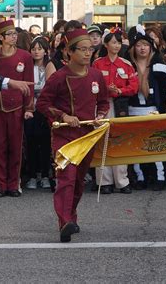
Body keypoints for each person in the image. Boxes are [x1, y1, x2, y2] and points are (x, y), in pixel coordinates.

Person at [36, 29, 109, 242]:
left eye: (91, 49)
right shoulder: (59, 77)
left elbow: (103, 102)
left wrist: (101, 115)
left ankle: (70, 218)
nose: (88, 53)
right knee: (66, 178)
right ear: (69, 52)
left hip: (87, 135)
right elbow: (42, 103)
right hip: (64, 136)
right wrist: (63, 115)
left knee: (78, 181)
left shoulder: (96, 75)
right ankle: (65, 222)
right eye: (83, 49)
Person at [0, 20, 35, 198]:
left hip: (18, 107)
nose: (14, 36)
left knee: (16, 146)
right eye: (10, 34)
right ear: (1, 37)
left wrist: (29, 107)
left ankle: (14, 183)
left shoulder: (25, 56)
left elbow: (29, 84)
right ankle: (1, 184)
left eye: (15, 33)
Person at [92, 30, 138, 194]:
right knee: (101, 141)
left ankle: (122, 181)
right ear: (106, 45)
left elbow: (133, 86)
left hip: (120, 105)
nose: (116, 46)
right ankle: (104, 182)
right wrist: (105, 89)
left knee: (120, 141)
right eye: (113, 42)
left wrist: (119, 91)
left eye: (118, 43)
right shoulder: (97, 63)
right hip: (102, 105)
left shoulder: (126, 64)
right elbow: (92, 84)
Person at [127, 26, 166, 191]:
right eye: (138, 45)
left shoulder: (158, 67)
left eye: (145, 44)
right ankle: (140, 176)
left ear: (151, 47)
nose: (142, 48)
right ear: (133, 48)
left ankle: (160, 176)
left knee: (155, 144)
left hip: (152, 111)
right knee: (136, 145)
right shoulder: (128, 67)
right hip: (132, 111)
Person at [25, 37, 52, 190]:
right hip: (30, 109)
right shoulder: (26, 67)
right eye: (33, 48)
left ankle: (46, 175)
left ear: (45, 51)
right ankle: (33, 175)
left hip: (45, 110)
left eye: (39, 48)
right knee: (31, 143)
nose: (36, 51)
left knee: (46, 143)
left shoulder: (50, 66)